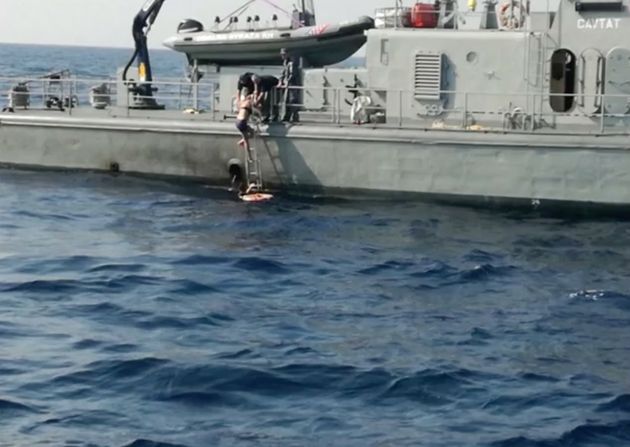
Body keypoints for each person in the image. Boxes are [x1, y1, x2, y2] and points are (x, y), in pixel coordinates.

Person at [278, 48, 300, 123]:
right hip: (288, 84)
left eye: (283, 54)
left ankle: (295, 117)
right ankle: (287, 116)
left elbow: (292, 74)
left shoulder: (291, 63)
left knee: (292, 100)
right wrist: (280, 81)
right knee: (287, 101)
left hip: (292, 84)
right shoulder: (285, 62)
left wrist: (287, 82)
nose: (282, 56)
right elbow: (283, 72)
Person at [235, 88, 256, 158]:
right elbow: (253, 110)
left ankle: (242, 141)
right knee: (247, 141)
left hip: (239, 121)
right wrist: (253, 98)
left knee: (252, 133)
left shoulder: (243, 102)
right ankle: (249, 157)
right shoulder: (248, 103)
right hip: (242, 122)